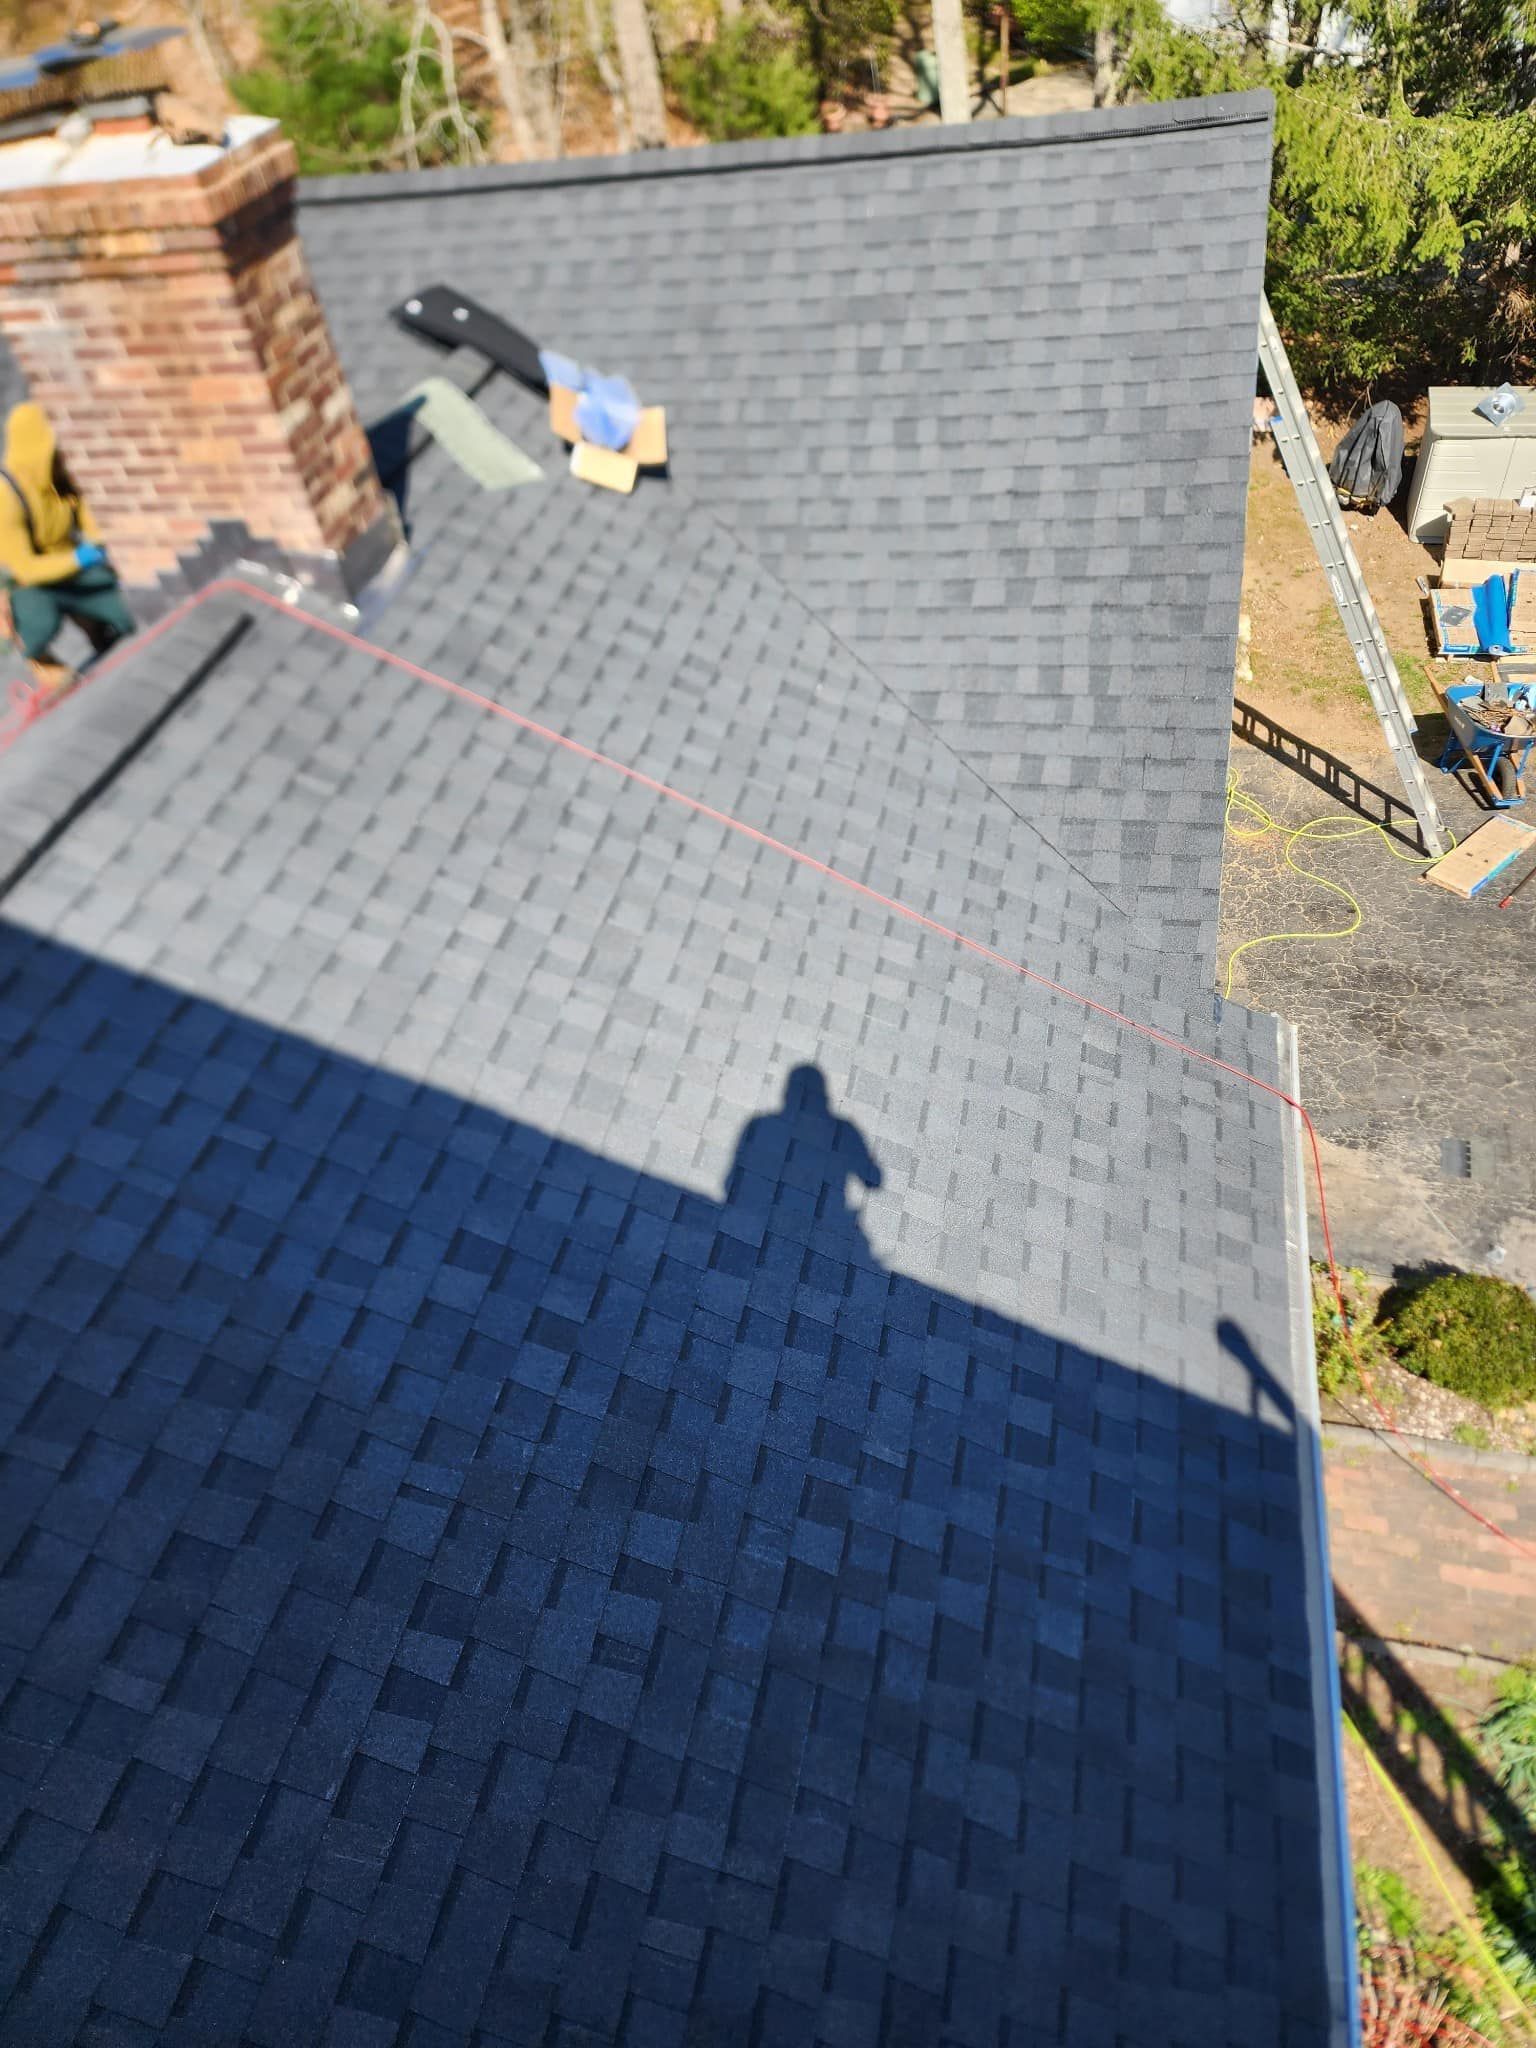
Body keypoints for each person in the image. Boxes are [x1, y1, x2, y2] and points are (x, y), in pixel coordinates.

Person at [0, 402, 133, 698]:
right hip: (25, 585)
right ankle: (39, 657)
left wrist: (98, 545)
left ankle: (96, 624)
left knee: (125, 618)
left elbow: (88, 519)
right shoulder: (5, 498)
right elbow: (27, 569)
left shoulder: (58, 476)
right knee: (38, 617)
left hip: (69, 567)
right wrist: (79, 557)